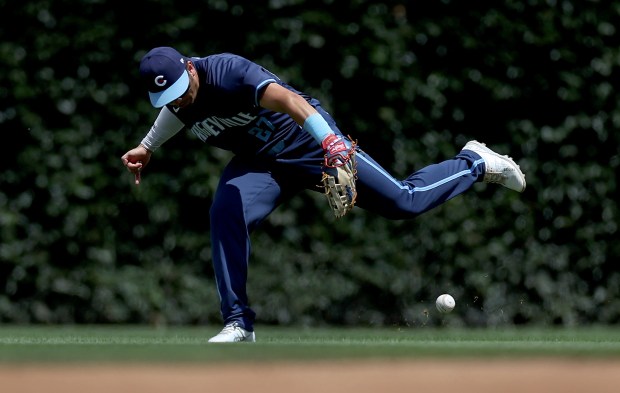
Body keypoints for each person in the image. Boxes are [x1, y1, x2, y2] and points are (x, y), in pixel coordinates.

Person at [121, 47, 526, 343]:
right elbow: (174, 112)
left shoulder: (229, 73)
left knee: (403, 202)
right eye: (168, 97)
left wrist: (330, 142)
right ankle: (238, 323)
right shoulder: (178, 98)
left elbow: (292, 101)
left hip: (308, 143)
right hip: (261, 163)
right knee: (226, 211)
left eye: (179, 89)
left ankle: (473, 161)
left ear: (189, 67)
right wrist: (147, 146)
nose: (178, 100)